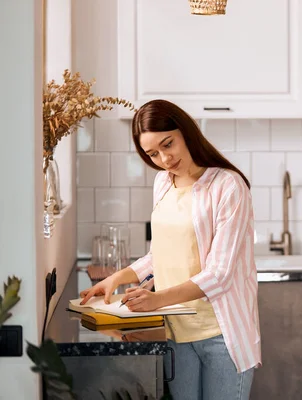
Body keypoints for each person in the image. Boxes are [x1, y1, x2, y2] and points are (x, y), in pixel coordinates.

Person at [80, 99, 261, 400]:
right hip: (177, 333)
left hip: (221, 336)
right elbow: (159, 255)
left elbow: (219, 275)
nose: (164, 158)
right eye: (153, 153)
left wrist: (156, 300)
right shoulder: (163, 182)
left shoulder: (228, 186)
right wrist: (117, 278)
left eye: (168, 144)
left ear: (186, 131)